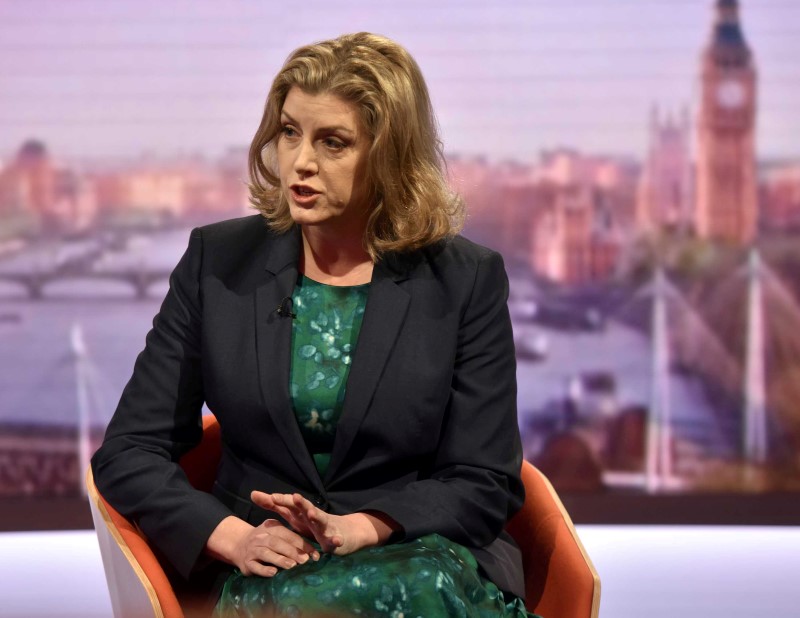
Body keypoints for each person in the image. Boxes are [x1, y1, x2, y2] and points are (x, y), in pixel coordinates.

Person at [92, 32, 538, 617]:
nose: (299, 162)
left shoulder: (465, 279)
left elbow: (485, 479)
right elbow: (129, 451)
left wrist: (367, 526)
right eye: (289, 132)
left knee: (414, 589)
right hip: (268, 564)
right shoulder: (218, 264)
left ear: (389, 155)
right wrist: (230, 535)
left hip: (414, 551)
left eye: (333, 143)